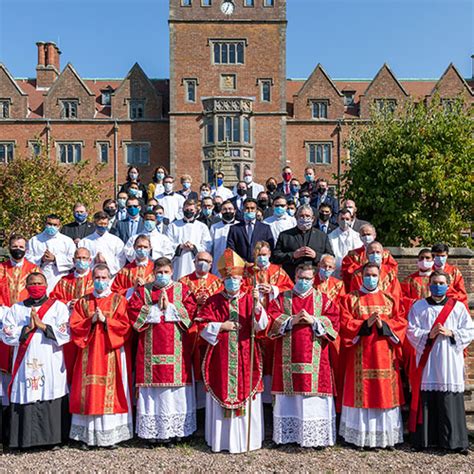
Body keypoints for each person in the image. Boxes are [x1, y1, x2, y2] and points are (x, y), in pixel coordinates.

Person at [199, 249, 268, 453]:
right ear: (222, 279)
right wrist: (221, 326)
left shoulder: (250, 298)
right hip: (220, 357)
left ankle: (249, 440)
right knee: (221, 389)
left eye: (236, 278)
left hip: (245, 353)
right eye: (228, 278)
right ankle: (221, 440)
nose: (232, 281)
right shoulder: (213, 300)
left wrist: (257, 306)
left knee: (246, 390)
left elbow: (261, 326)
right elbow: (201, 327)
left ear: (242, 279)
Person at [267, 263, 339, 449]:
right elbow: (271, 319)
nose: (304, 282)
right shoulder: (282, 298)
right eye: (301, 278)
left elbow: (334, 322)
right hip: (288, 356)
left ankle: (316, 439)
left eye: (308, 279)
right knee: (289, 397)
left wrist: (313, 320)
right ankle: (286, 437)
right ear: (295, 277)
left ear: (314, 279)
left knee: (313, 400)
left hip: (316, 358)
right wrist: (292, 320)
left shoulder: (323, 299)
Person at [127, 257, 197, 446]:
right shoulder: (143, 291)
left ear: (172, 272)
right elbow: (133, 313)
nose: (162, 276)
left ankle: (178, 431)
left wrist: (172, 307)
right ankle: (152, 433)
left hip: (177, 349)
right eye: (159, 272)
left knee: (175, 392)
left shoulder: (182, 290)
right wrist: (155, 309)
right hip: (150, 348)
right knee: (152, 392)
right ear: (153, 272)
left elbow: (191, 312)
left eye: (166, 272)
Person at [339, 263, 406, 449]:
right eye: (367, 274)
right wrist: (365, 324)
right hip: (360, 354)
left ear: (380, 276)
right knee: (362, 393)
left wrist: (383, 325)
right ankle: (358, 437)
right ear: (361, 276)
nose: (371, 278)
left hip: (385, 354)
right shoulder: (349, 299)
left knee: (384, 393)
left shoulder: (390, 299)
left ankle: (385, 438)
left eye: (374, 275)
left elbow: (400, 321)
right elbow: (345, 323)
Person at [407, 270, 474, 454]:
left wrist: (452, 333)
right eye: (434, 282)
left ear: (448, 284)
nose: (438, 285)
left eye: (441, 282)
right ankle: (426, 441)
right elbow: (411, 331)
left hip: (450, 358)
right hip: (428, 359)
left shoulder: (458, 307)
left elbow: (470, 329)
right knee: (428, 399)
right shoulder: (419, 306)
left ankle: (455, 442)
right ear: (429, 284)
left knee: (449, 398)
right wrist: (429, 334)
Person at [2, 272, 71, 450]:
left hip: (50, 359)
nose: (36, 286)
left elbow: (66, 331)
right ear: (26, 286)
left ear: (46, 285)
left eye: (40, 283)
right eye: (32, 283)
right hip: (25, 359)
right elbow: (7, 332)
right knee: (27, 392)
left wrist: (43, 326)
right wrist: (27, 328)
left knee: (50, 391)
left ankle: (53, 439)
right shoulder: (16, 309)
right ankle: (24, 440)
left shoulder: (58, 307)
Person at [69, 264, 132, 449]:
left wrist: (106, 321)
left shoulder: (119, 300)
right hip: (88, 353)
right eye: (97, 277)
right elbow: (74, 326)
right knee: (89, 391)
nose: (100, 281)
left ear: (110, 279)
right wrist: (91, 320)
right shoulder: (83, 301)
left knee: (110, 391)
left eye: (104, 278)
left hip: (111, 352)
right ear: (92, 279)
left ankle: (110, 437)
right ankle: (87, 437)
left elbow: (126, 327)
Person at [0, 235, 41, 445]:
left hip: (27, 322)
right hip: (3, 322)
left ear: (26, 248)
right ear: (9, 248)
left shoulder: (34, 269)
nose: (18, 249)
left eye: (21, 247)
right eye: (14, 246)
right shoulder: (1, 269)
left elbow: (40, 292)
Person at [242, 242, 293, 404]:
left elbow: (290, 289)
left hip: (273, 318)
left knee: (272, 358)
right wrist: (252, 292)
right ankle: (258, 399)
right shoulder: (248, 272)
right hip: (253, 319)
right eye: (258, 255)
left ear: (270, 254)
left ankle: (273, 399)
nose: (261, 258)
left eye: (264, 255)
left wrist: (273, 289)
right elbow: (240, 290)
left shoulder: (278, 271)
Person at [179, 252, 223, 410]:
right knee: (190, 367)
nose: (202, 263)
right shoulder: (183, 282)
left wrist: (209, 301)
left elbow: (222, 306)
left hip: (209, 332)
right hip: (189, 330)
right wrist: (195, 303)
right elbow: (178, 306)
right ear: (194, 261)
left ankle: (207, 407)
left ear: (211, 264)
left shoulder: (218, 283)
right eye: (200, 260)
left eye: (206, 261)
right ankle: (191, 407)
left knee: (209, 366)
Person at [273, 205, 334, 281]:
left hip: (314, 278)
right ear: (296, 217)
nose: (304, 218)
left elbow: (330, 257)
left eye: (307, 216)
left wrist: (316, 256)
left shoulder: (322, 236)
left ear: (313, 219)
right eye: (301, 216)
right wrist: (293, 255)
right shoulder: (285, 235)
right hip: (291, 277)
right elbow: (275, 257)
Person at [26, 214, 76, 294]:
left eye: (55, 225)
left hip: (60, 277)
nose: (52, 227)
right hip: (40, 277)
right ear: (45, 224)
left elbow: (73, 260)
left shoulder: (67, 241)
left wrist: (55, 259)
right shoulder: (34, 240)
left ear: (59, 226)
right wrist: (41, 259)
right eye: (49, 224)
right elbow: (27, 259)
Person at [341, 224, 397, 292]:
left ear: (374, 235)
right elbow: (346, 269)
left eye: (369, 234)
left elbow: (393, 268)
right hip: (360, 287)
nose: (366, 237)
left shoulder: (385, 254)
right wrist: (363, 270)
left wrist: (380, 269)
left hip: (383, 288)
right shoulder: (353, 254)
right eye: (363, 235)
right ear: (360, 236)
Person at [166, 199, 212, 280]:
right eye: (186, 210)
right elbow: (167, 244)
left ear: (195, 211)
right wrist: (180, 246)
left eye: (191, 210)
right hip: (179, 262)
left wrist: (193, 247)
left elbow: (207, 246)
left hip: (194, 261)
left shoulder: (202, 226)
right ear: (183, 210)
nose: (189, 211)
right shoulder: (173, 225)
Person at [227, 198, 274, 263]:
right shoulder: (234, 229)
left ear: (256, 210)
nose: (249, 210)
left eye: (252, 208)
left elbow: (270, 247)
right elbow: (230, 249)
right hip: (241, 266)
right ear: (243, 209)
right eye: (247, 208)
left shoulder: (265, 228)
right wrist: (243, 262)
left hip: (260, 265)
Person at [78, 212, 126, 276]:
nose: (103, 226)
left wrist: (105, 262)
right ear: (94, 223)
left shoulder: (116, 241)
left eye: (105, 224)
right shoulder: (84, 242)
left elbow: (121, 260)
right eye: (100, 224)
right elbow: (81, 260)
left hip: (111, 276)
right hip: (90, 276)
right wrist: (94, 260)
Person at [431, 243, 468, 309]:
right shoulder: (427, 272)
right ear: (433, 255)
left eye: (443, 256)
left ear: (447, 255)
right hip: (430, 305)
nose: (440, 258)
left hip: (449, 306)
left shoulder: (454, 272)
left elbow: (461, 293)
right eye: (437, 255)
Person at [328, 208, 363, 278]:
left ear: (351, 220)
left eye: (347, 219)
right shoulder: (330, 236)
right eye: (342, 219)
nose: (344, 221)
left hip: (352, 271)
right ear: (337, 220)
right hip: (336, 272)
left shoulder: (357, 236)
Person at [210, 200, 239, 276]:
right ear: (221, 211)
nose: (227, 211)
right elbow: (210, 248)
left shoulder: (240, 226)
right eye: (225, 209)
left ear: (234, 211)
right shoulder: (214, 227)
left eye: (230, 209)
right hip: (218, 265)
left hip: (236, 265)